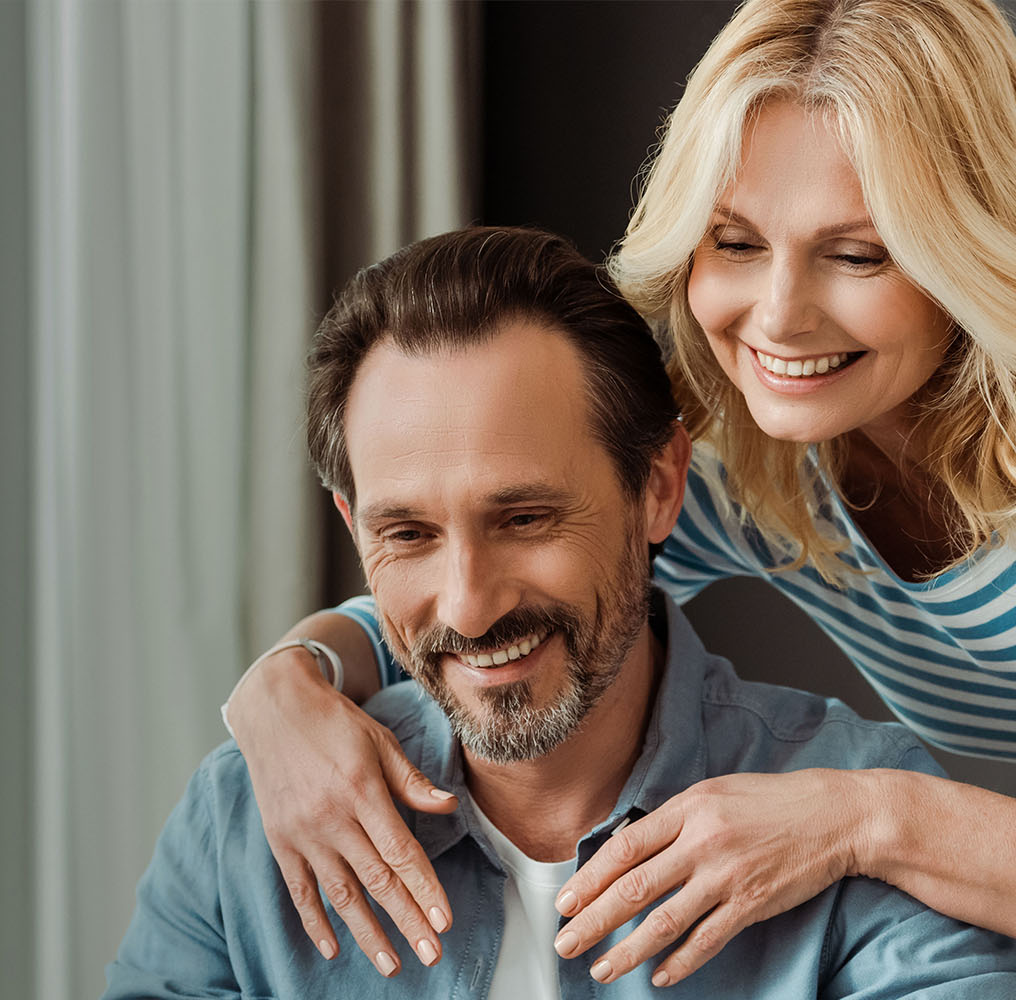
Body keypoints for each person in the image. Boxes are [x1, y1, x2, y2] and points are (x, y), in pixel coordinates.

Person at [222, 0, 1016, 988]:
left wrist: (863, 816)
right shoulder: (756, 471)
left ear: (974, 240)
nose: (775, 314)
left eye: (855, 253)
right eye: (733, 243)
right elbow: (474, 612)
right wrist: (277, 695)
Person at [105, 227, 1016, 998]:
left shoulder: (859, 833)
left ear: (658, 488)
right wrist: (283, 683)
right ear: (353, 527)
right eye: (409, 533)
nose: (468, 605)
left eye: (527, 518)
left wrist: (872, 823)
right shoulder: (247, 821)